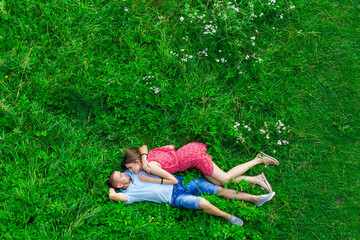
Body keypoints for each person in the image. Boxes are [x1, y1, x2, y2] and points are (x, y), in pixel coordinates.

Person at [107, 170, 276, 226]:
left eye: (122, 172)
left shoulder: (133, 172)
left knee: (219, 190)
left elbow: (142, 149)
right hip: (174, 197)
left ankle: (256, 199)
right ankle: (228, 217)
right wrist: (111, 187)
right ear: (120, 185)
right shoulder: (129, 194)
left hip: (182, 182)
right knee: (203, 202)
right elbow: (113, 195)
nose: (124, 173)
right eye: (120, 175)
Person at [122, 143, 279, 192]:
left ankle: (258, 160)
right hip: (189, 152)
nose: (130, 171)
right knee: (219, 183)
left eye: (130, 167)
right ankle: (257, 179)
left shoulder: (151, 167)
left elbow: (174, 181)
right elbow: (169, 145)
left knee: (225, 177)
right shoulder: (148, 155)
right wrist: (143, 157)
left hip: (194, 158)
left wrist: (150, 179)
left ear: (136, 162)